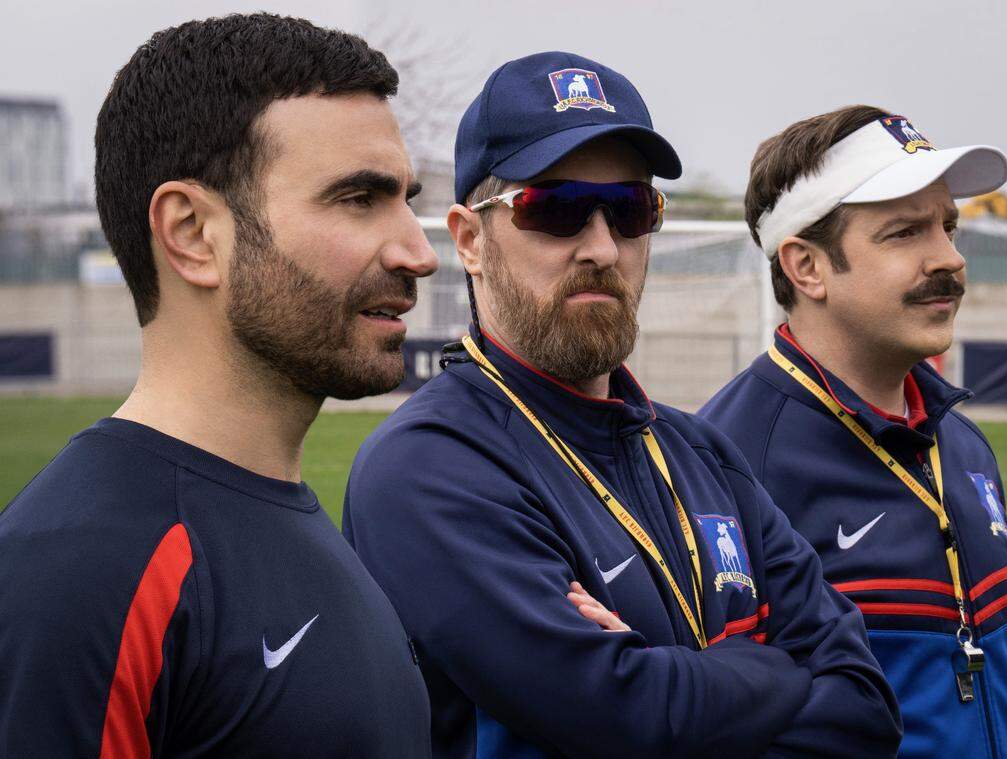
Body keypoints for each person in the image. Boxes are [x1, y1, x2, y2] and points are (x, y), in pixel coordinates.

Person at [343, 52, 901, 758]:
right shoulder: (428, 467)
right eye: (557, 208)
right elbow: (621, 720)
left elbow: (866, 706)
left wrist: (671, 687)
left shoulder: (702, 453)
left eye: (632, 209)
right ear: (469, 239)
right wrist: (772, 666)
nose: (602, 247)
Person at [0, 14, 438, 757]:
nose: (418, 251)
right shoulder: (80, 570)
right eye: (359, 199)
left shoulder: (285, 519)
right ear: (192, 233)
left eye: (405, 198)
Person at [699, 106, 1007, 757]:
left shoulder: (962, 443)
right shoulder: (727, 466)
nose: (950, 259)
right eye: (905, 233)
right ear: (807, 267)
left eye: (948, 226)